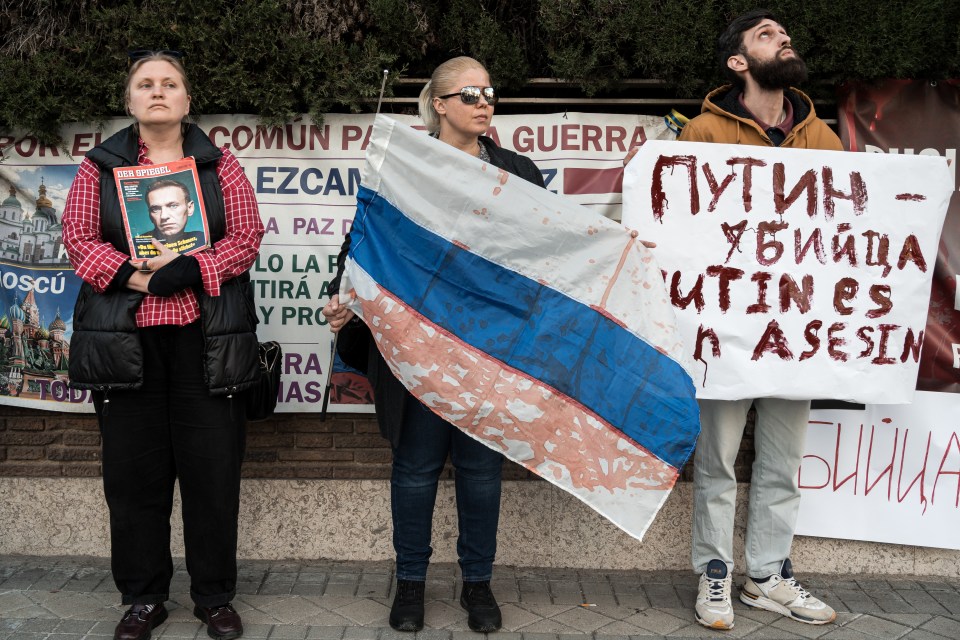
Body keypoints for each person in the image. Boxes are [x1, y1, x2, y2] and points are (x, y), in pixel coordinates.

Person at [323, 56, 544, 634]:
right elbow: (363, 242)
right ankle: (412, 584)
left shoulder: (519, 171)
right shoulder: (401, 168)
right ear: (438, 105)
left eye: (490, 92)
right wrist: (342, 293)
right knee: (416, 468)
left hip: (486, 350)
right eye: (469, 93)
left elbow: (545, 255)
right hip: (413, 346)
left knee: (480, 470)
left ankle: (478, 585)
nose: (484, 101)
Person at [642, 9, 843, 631]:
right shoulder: (701, 132)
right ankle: (714, 573)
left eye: (784, 33)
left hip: (796, 333)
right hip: (723, 334)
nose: (783, 39)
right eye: (767, 34)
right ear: (738, 62)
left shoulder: (824, 139)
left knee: (783, 460)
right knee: (719, 461)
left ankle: (769, 574)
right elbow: (671, 223)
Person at [62, 50, 264, 640]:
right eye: (145, 84)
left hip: (205, 342)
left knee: (212, 476)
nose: (157, 92)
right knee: (133, 479)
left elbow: (247, 234)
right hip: (128, 347)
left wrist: (195, 269)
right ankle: (144, 598)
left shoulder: (218, 165)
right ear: (129, 100)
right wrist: (143, 276)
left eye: (169, 83)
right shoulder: (97, 168)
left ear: (186, 99)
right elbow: (77, 236)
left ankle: (213, 597)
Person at [140, 178, 204, 250]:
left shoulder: (201, 239)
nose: (164, 216)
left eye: (173, 206)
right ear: (150, 215)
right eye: (155, 209)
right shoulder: (137, 246)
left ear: (189, 208)